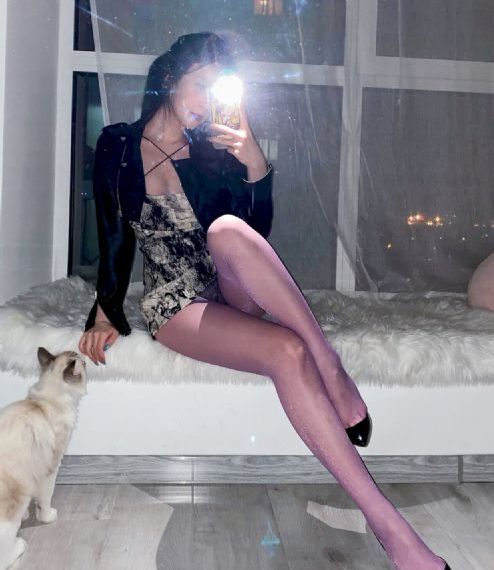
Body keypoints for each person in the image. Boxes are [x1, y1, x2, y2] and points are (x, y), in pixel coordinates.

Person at [78, 32, 451, 570]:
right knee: (286, 352)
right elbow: (113, 232)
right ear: (170, 79)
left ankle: (330, 364)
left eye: (217, 89)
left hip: (230, 286)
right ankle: (394, 533)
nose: (205, 102)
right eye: (199, 85)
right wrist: (105, 308)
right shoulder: (117, 145)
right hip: (177, 305)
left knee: (227, 229)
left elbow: (255, 236)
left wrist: (253, 161)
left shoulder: (214, 151)